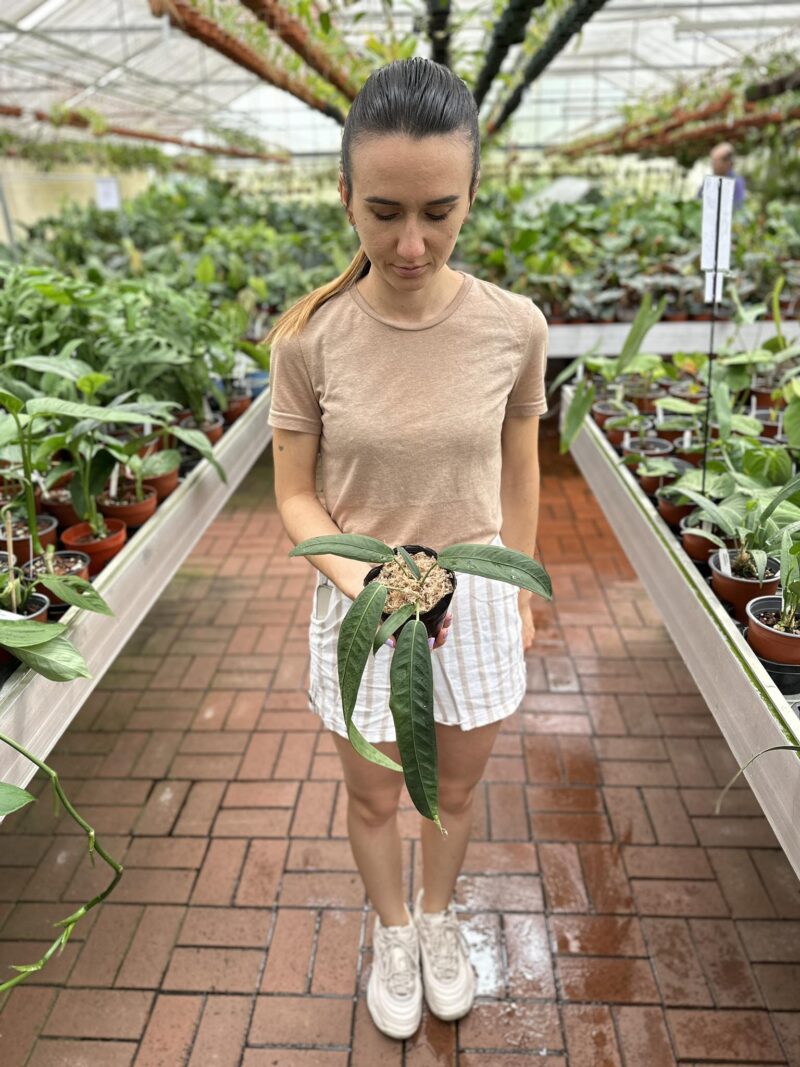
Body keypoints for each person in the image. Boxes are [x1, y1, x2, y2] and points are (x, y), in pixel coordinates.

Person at [266, 57, 547, 1041]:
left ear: (474, 192)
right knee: (373, 790)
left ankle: (436, 920)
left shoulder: (513, 327)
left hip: (470, 597)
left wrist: (520, 581)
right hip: (359, 599)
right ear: (342, 194)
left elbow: (520, 468)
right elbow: (295, 496)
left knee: (455, 787)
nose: (411, 242)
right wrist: (367, 582)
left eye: (438, 210)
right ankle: (390, 930)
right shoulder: (309, 339)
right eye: (382, 211)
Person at [698, 141, 746, 208]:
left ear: (727, 163)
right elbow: (697, 201)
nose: (712, 165)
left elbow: (737, 208)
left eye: (715, 161)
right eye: (712, 161)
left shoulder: (736, 183)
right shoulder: (709, 181)